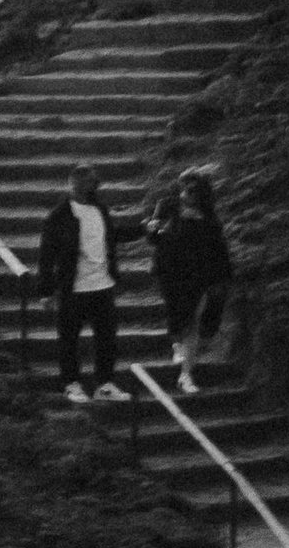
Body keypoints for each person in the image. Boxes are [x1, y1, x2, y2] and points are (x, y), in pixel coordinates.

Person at [37, 166, 134, 406]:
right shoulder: (59, 216)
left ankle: (105, 384)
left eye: (94, 184)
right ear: (74, 185)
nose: (93, 188)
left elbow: (112, 236)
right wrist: (46, 292)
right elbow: (47, 255)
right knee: (69, 339)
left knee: (107, 338)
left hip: (102, 285)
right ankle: (71, 383)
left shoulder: (99, 209)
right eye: (89, 184)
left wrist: (145, 229)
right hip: (74, 289)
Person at [147, 167, 235, 391]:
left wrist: (222, 276)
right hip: (170, 270)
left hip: (197, 273)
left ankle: (186, 374)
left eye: (194, 190)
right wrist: (155, 230)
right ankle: (178, 345)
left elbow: (217, 246)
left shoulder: (208, 214)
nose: (187, 194)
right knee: (177, 317)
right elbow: (154, 236)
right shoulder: (168, 206)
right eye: (185, 188)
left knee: (192, 323)